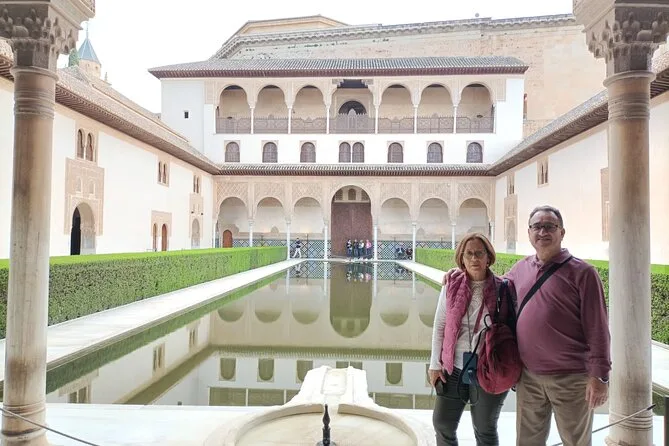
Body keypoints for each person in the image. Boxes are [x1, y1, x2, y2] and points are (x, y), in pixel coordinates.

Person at [443, 205, 611, 446]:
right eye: (537, 226)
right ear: (529, 232)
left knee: (576, 441)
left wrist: (600, 376)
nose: (543, 232)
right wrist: (461, 273)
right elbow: (492, 283)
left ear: (562, 232)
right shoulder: (521, 269)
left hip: (570, 378)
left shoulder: (583, 273)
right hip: (529, 377)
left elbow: (598, 329)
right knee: (527, 441)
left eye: (549, 226)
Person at [429, 232, 513, 446]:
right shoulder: (451, 285)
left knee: (484, 428)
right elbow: (440, 326)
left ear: (488, 257)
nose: (474, 258)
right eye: (469, 254)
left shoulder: (502, 288)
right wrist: (434, 365)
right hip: (453, 367)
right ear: (462, 258)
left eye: (479, 253)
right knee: (442, 424)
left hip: (488, 367)